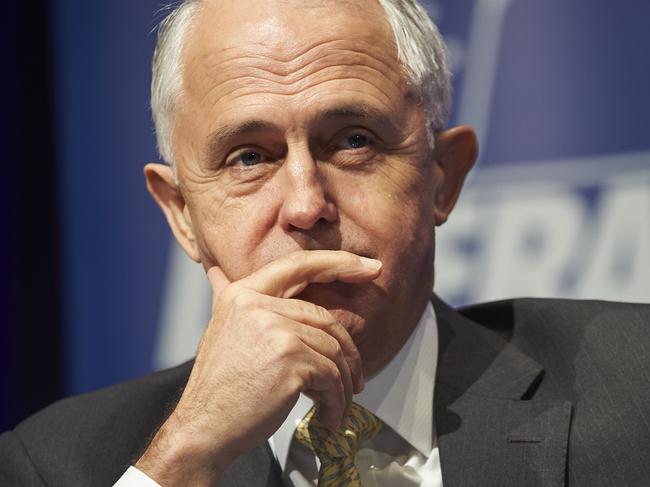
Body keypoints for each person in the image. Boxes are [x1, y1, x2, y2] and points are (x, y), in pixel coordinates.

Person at [1, 0, 649, 486]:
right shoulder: (56, 462)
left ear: (442, 177)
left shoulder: (634, 387)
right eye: (248, 156)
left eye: (353, 140)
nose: (307, 205)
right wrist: (185, 456)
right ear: (182, 216)